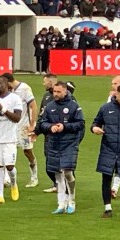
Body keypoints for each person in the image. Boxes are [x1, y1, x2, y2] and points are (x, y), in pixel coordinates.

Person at [35, 81, 84, 214]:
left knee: (67, 172)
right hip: (54, 143)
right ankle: (61, 204)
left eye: (58, 92)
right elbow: (42, 123)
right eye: (54, 92)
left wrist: (64, 126)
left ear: (65, 91)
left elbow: (80, 124)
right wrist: (50, 127)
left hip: (69, 143)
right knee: (57, 174)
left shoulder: (74, 106)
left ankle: (72, 200)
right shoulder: (50, 106)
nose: (55, 94)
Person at [92, 84, 120, 218]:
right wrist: (94, 129)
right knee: (106, 178)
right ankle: (107, 208)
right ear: (115, 94)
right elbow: (95, 123)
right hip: (108, 147)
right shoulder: (105, 108)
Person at [0, 76, 24, 204]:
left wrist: (3, 109)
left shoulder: (15, 99)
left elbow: (17, 118)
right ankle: (0, 195)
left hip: (10, 138)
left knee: (10, 166)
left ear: (6, 85)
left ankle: (13, 184)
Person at [1, 73, 39, 187]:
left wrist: (32, 124)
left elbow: (33, 106)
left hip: (24, 127)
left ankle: (34, 177)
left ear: (8, 82)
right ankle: (7, 178)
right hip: (10, 127)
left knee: (27, 151)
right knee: (7, 151)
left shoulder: (24, 89)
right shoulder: (7, 91)